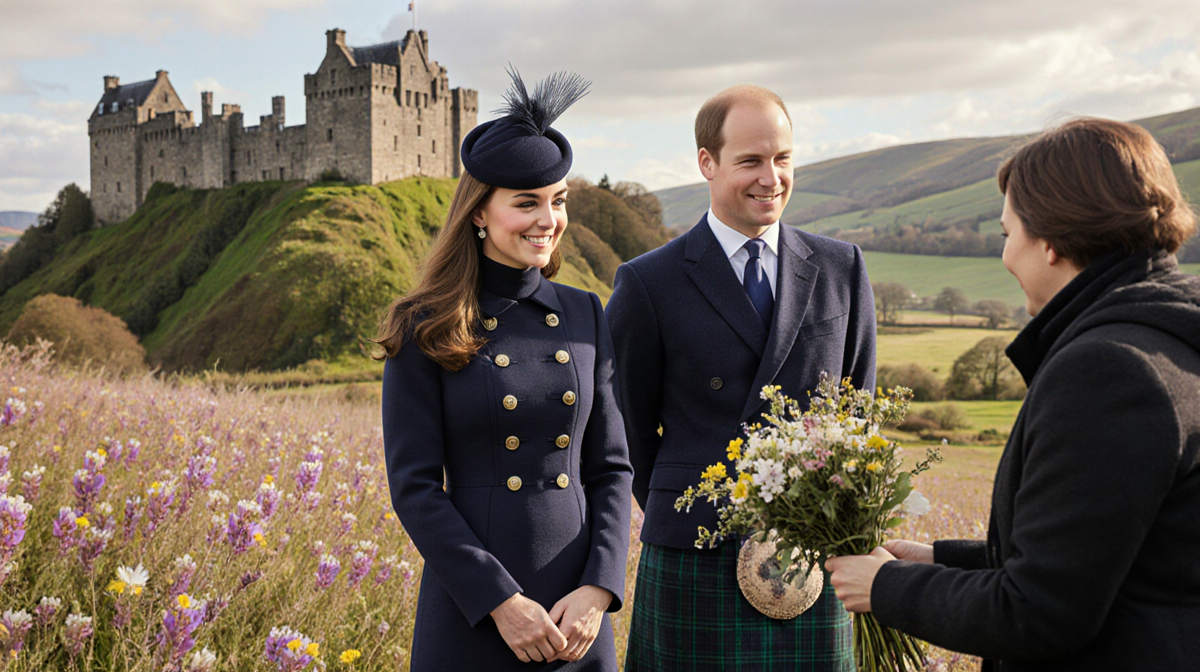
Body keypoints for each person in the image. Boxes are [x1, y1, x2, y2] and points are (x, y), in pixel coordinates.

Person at [826, 117, 1200, 671]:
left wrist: (886, 589)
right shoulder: (1169, 340)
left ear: (1048, 240)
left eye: (1008, 234)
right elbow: (1102, 559)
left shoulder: (1110, 370)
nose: (1005, 257)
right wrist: (939, 561)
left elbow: (1040, 613)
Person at [606, 84, 876, 671]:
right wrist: (692, 503)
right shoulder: (647, 283)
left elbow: (860, 409)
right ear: (707, 162)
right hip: (694, 547)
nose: (771, 178)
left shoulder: (841, 268)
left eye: (782, 159)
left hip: (811, 549)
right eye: (750, 161)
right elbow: (626, 427)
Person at [377, 69, 632, 672]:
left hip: (577, 612)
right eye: (527, 204)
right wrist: (500, 602)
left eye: (558, 201)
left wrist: (599, 588)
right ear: (478, 214)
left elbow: (611, 468)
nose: (548, 220)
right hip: (474, 606)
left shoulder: (584, 314)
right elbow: (413, 487)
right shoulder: (424, 324)